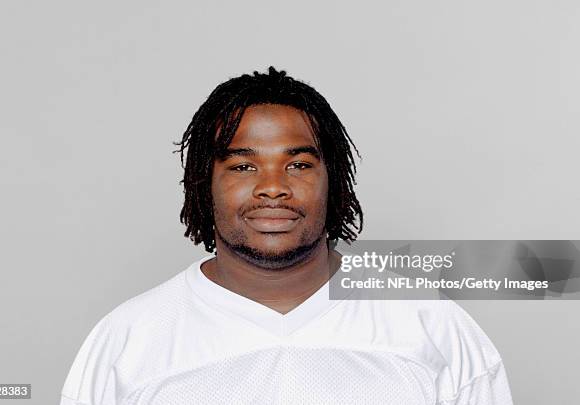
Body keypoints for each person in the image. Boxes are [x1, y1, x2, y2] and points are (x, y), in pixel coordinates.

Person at [60, 67, 514, 404]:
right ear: (204, 183)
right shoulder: (128, 340)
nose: (273, 186)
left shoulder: (430, 325)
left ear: (333, 181)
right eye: (242, 165)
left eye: (298, 164)